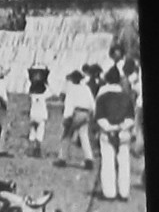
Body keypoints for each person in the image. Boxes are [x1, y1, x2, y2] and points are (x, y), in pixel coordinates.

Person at [93, 66, 136, 201]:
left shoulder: (102, 97)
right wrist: (121, 127)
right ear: (119, 80)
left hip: (107, 132)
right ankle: (124, 192)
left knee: (108, 162)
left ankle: (109, 192)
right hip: (123, 132)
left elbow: (99, 117)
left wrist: (110, 128)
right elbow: (131, 118)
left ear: (107, 80)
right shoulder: (126, 97)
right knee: (124, 162)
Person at [57, 69, 95, 169]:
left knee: (66, 135)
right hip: (86, 113)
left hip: (76, 113)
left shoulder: (71, 89)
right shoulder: (86, 88)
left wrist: (66, 117)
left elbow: (69, 104)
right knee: (84, 136)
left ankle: (62, 158)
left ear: (73, 79)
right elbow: (92, 103)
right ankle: (89, 160)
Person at [26, 61, 51, 158]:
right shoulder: (44, 91)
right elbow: (50, 93)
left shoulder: (31, 90)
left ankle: (30, 150)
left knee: (32, 132)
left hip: (33, 113)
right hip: (42, 114)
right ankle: (37, 151)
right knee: (40, 132)